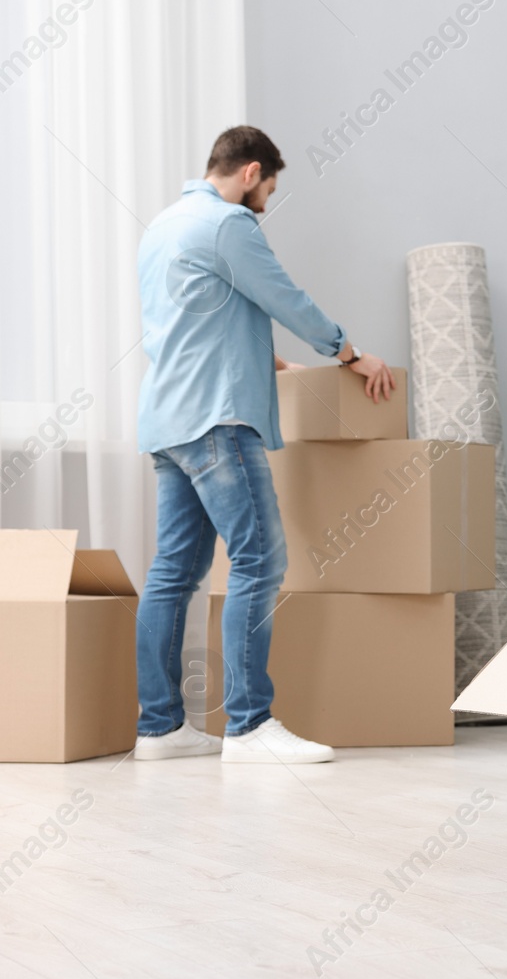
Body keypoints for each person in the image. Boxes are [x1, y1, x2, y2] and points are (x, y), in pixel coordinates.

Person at [131, 126, 396, 764]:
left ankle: (160, 729)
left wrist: (270, 365)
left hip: (169, 423)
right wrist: (348, 352)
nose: (266, 206)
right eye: (268, 190)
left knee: (172, 575)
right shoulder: (229, 224)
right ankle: (249, 727)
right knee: (258, 561)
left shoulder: (162, 227)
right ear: (250, 172)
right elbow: (283, 298)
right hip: (219, 421)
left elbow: (202, 318)